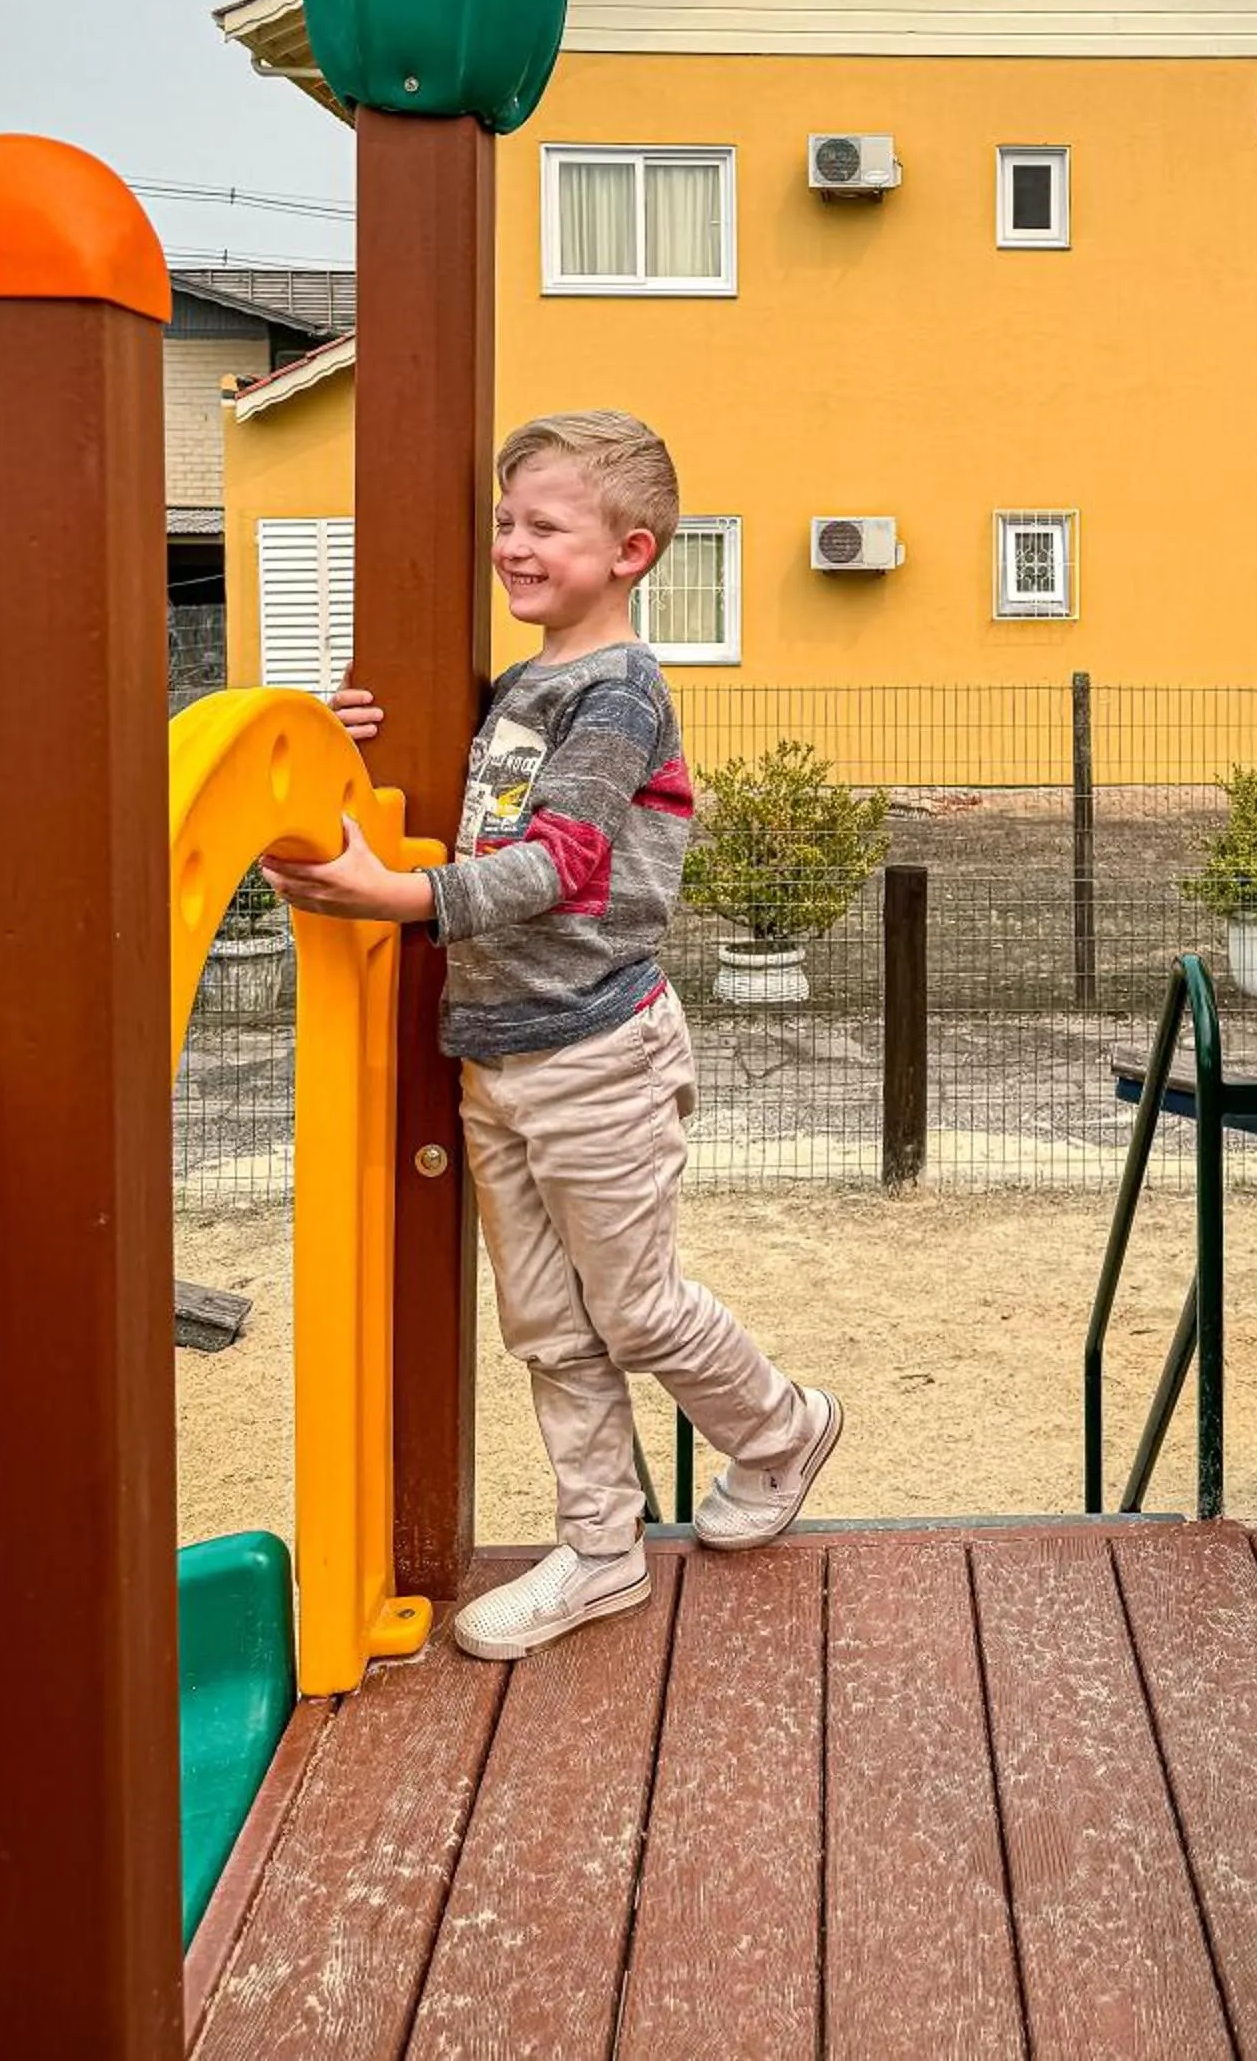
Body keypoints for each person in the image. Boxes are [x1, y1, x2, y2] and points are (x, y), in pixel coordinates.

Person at [261, 408, 843, 1659]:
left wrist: (399, 901)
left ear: (631, 552)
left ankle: (782, 1429)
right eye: (507, 523)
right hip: (498, 1050)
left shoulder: (617, 692)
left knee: (633, 1312)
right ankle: (599, 1547)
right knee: (546, 1323)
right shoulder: (523, 688)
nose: (514, 547)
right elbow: (483, 811)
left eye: (545, 526)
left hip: (596, 1050)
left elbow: (561, 865)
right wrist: (359, 736)